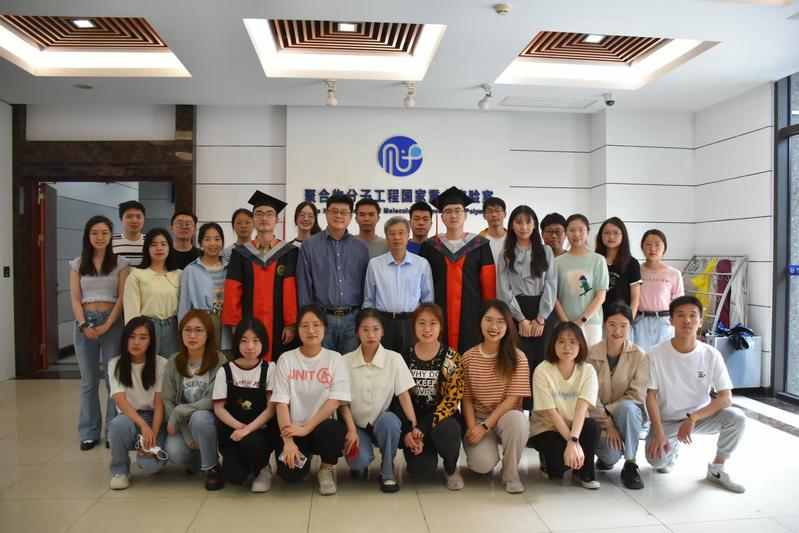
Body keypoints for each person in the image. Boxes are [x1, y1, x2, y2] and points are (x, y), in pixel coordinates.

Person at [645, 296, 746, 493]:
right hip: (667, 420)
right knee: (657, 462)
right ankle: (671, 450)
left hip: (700, 417)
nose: (687, 320)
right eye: (680, 315)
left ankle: (717, 468)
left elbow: (726, 398)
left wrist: (693, 418)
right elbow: (650, 397)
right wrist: (659, 432)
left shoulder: (711, 354)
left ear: (700, 321)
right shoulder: (655, 354)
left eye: (693, 315)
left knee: (737, 418)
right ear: (671, 320)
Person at [271, 304, 350, 495]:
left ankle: (326, 468)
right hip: (293, 430)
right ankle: (302, 458)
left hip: (321, 428)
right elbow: (281, 403)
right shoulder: (286, 359)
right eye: (304, 326)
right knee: (291, 475)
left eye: (316, 325)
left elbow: (335, 401)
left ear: (325, 328)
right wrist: (288, 441)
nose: (311, 330)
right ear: (298, 330)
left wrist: (307, 428)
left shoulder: (335, 358)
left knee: (332, 429)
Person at [340, 309, 417, 492]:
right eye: (365, 330)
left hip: (383, 423)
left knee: (390, 421)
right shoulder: (344, 361)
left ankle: (387, 470)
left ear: (382, 331)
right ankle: (363, 460)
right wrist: (351, 429)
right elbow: (342, 402)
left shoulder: (394, 359)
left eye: (376, 329)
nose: (371, 335)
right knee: (357, 462)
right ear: (357, 332)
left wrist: (413, 427)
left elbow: (404, 396)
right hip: (357, 425)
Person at [71, 215, 129, 450]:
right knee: (88, 382)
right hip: (85, 323)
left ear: (110, 236)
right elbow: (75, 298)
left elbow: (122, 297)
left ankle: (113, 431)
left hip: (112, 322)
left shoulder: (121, 263)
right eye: (95, 233)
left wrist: (107, 324)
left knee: (112, 381)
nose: (100, 237)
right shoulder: (78, 263)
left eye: (105, 233)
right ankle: (88, 432)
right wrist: (84, 325)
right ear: (88, 236)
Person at [461, 301, 531, 494]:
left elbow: (512, 400)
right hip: (479, 417)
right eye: (489, 320)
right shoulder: (468, 357)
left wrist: (485, 427)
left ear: (508, 326)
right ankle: (489, 453)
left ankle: (510, 474)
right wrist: (473, 427)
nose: (494, 327)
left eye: (501, 321)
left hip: (506, 418)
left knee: (517, 421)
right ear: (480, 322)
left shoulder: (518, 358)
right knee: (481, 466)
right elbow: (466, 398)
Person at [222, 191, 298, 361]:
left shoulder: (288, 252)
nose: (264, 218)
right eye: (259, 214)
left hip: (279, 324)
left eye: (269, 214)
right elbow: (233, 290)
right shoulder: (240, 253)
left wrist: (291, 324)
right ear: (254, 219)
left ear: (277, 220)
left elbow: (290, 290)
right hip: (248, 322)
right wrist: (235, 324)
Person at [421, 186, 496, 353]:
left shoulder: (480, 245)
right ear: (442, 217)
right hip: (438, 316)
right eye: (448, 211)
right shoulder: (430, 247)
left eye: (457, 210)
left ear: (465, 215)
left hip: (472, 316)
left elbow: (489, 288)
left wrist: (488, 316)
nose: (453, 215)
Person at [496, 205, 556, 408]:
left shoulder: (546, 251)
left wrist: (541, 318)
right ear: (512, 225)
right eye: (519, 222)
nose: (523, 227)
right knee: (519, 362)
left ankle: (542, 411)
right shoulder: (506, 254)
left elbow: (551, 285)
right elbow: (503, 289)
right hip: (516, 312)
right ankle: (518, 410)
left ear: (535, 224)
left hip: (542, 311)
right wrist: (520, 319)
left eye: (528, 222)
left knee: (542, 362)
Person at [401, 303, 465, 490]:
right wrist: (411, 428)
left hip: (443, 418)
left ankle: (451, 469)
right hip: (414, 421)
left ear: (441, 327)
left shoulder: (451, 357)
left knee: (448, 430)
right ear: (414, 326)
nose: (427, 329)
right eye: (421, 323)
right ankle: (425, 452)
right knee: (421, 470)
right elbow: (400, 396)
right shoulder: (405, 355)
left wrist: (426, 424)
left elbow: (452, 400)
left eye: (432, 323)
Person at [529, 322, 600, 489]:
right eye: (561, 341)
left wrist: (573, 440)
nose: (567, 347)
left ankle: (584, 473)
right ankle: (548, 460)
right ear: (553, 344)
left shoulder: (588, 370)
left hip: (575, 426)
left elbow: (581, 410)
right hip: (548, 427)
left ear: (581, 345)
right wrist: (572, 442)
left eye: (573, 342)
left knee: (592, 427)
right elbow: (552, 413)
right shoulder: (542, 370)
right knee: (557, 469)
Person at [297, 193, 369, 355]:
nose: (338, 216)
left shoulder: (361, 248)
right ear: (326, 213)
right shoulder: (309, 245)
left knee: (350, 367)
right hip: (321, 319)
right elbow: (304, 287)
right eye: (334, 211)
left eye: (343, 212)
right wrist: (308, 321)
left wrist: (362, 319)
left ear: (351, 217)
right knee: (322, 365)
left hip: (352, 319)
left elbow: (366, 286)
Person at [587, 302, 648, 489]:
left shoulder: (639, 356)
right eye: (612, 324)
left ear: (630, 327)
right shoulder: (590, 353)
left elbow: (636, 395)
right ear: (605, 325)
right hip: (598, 418)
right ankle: (606, 460)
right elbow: (587, 395)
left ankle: (630, 464)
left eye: (623, 325)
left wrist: (610, 412)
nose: (617, 331)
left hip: (627, 416)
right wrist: (607, 423)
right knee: (611, 455)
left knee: (627, 407)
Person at [212, 317, 277, 492]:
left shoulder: (270, 368)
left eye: (256, 341)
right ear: (237, 342)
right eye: (244, 341)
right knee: (234, 477)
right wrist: (240, 428)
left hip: (260, 432)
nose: (250, 346)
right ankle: (248, 466)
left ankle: (263, 468)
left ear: (263, 343)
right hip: (233, 432)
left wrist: (248, 430)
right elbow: (219, 408)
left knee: (252, 443)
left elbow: (271, 409)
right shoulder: (225, 370)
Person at [163, 310, 226, 490]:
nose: (192, 335)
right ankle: (199, 460)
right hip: (184, 423)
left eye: (199, 330)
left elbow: (212, 400)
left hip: (210, 419)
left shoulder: (218, 360)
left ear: (208, 334)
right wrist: (186, 434)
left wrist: (180, 411)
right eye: (187, 330)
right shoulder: (174, 361)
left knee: (200, 417)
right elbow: (167, 399)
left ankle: (212, 467)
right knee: (174, 451)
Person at [106, 317, 169, 490]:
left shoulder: (161, 364)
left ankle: (153, 449)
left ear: (151, 341)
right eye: (132, 336)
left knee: (150, 466)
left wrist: (152, 434)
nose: (136, 342)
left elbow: (159, 404)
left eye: (143, 337)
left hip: (155, 418)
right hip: (129, 417)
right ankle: (120, 471)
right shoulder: (115, 364)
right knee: (117, 425)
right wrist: (143, 426)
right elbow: (120, 401)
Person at [363, 216, 434, 354]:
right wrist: (369, 326)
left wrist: (425, 325)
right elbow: (369, 300)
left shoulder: (421, 264)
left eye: (401, 233)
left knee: (410, 362)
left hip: (411, 323)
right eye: (392, 233)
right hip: (383, 323)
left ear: (408, 235)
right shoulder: (375, 265)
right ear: (386, 237)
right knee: (384, 363)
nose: (397, 237)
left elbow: (428, 300)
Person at [123, 228, 182, 359]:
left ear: (169, 247)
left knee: (170, 366)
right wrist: (135, 335)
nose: (159, 248)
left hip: (173, 328)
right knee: (147, 365)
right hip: (146, 327)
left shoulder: (180, 275)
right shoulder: (136, 275)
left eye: (163, 244)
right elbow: (131, 310)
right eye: (153, 244)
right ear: (147, 249)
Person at [553, 214, 608, 346]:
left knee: (592, 358)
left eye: (581, 230)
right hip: (564, 323)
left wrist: (581, 321)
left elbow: (601, 296)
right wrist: (566, 322)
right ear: (566, 233)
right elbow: (554, 296)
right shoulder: (557, 262)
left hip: (591, 323)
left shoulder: (598, 260)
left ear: (588, 232)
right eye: (572, 230)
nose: (576, 234)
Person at [179, 222, 230, 350]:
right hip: (202, 322)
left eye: (217, 239)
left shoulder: (230, 267)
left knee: (226, 356)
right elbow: (184, 305)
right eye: (207, 239)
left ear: (222, 242)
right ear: (200, 243)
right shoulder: (191, 270)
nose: (213, 243)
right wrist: (183, 332)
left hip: (228, 322)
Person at [634, 229, 685, 352]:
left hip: (665, 323)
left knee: (664, 356)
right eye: (648, 244)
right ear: (642, 247)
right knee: (640, 357)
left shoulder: (674, 274)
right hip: (640, 321)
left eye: (657, 244)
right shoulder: (635, 271)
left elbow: (679, 305)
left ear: (664, 247)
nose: (652, 248)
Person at [596, 217, 641, 330]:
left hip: (622, 321)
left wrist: (628, 322)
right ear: (601, 236)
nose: (611, 237)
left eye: (616, 233)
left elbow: (635, 298)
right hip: (597, 320)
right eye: (606, 233)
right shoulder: (594, 261)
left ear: (623, 235)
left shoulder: (632, 263)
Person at [112, 200, 146, 267]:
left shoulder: (151, 242)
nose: (134, 220)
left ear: (144, 219)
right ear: (121, 219)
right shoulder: (111, 242)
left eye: (138, 217)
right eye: (129, 216)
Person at [478, 196, 507, 266]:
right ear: (484, 215)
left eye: (497, 211)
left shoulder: (514, 239)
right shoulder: (477, 242)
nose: (494, 215)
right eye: (490, 211)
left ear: (505, 214)